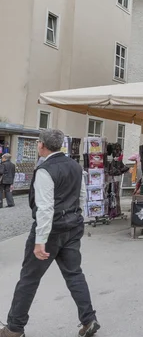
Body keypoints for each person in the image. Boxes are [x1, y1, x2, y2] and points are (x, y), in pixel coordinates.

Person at [1, 129, 100, 337]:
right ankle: (89, 319)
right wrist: (78, 219)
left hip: (52, 229)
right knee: (74, 274)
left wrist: (40, 240)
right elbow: (82, 196)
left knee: (29, 278)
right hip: (72, 226)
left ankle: (14, 327)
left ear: (42, 145)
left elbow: (45, 208)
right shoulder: (75, 166)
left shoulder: (45, 170)